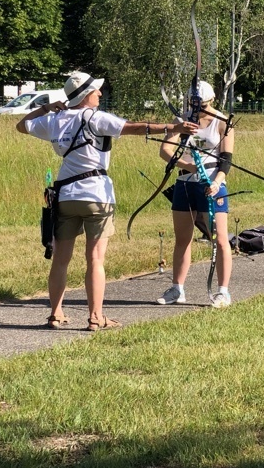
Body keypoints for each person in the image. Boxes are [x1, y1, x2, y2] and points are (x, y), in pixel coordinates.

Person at [18, 71, 196, 331]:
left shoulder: (54, 120)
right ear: (86, 95)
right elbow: (135, 128)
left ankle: (55, 315)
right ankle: (95, 317)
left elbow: (21, 126)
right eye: (96, 91)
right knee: (95, 260)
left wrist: (45, 107)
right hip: (97, 197)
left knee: (61, 259)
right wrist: (175, 128)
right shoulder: (95, 117)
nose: (100, 94)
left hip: (65, 196)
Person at [157, 80, 237, 307]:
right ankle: (177, 289)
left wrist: (217, 182)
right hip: (184, 182)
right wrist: (189, 166)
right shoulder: (182, 121)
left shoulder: (222, 123)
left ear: (211, 101)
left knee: (220, 239)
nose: (196, 109)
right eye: (193, 104)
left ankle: (223, 292)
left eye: (200, 104)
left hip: (211, 183)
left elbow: (226, 161)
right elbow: (165, 150)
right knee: (183, 238)